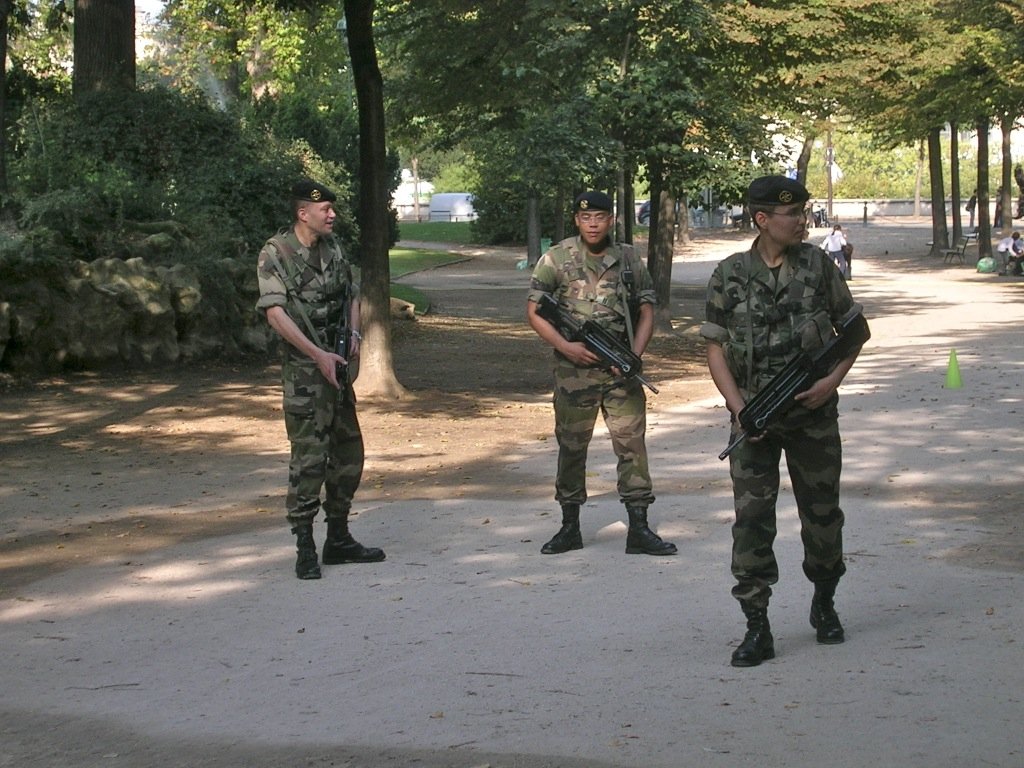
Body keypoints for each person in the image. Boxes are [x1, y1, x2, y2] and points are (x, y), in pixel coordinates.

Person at [701, 176, 865, 667]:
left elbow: (854, 331)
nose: (801, 221)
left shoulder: (819, 265)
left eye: (803, 211)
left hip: (813, 416)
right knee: (752, 522)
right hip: (754, 418)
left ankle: (825, 601)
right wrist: (739, 409)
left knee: (822, 513)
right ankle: (757, 625)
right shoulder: (729, 274)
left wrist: (831, 382)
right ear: (762, 219)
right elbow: (714, 347)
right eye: (791, 214)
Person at [526, 191, 676, 557]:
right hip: (573, 373)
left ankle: (639, 527)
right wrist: (567, 347)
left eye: (600, 217)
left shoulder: (627, 258)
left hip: (620, 371)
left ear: (611, 220)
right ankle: (569, 526)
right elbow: (534, 311)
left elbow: (646, 310)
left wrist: (633, 357)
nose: (593, 224)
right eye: (585, 217)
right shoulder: (557, 258)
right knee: (572, 449)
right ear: (577, 221)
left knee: (632, 448)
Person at [256, 180, 385, 580]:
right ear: (303, 213)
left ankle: (339, 538)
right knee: (309, 460)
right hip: (306, 374)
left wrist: (355, 337)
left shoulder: (334, 249)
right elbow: (275, 314)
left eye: (332, 209)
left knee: (349, 453)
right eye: (325, 209)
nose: (332, 215)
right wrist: (317, 355)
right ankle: (304, 546)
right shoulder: (275, 254)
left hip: (338, 369)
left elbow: (351, 295)